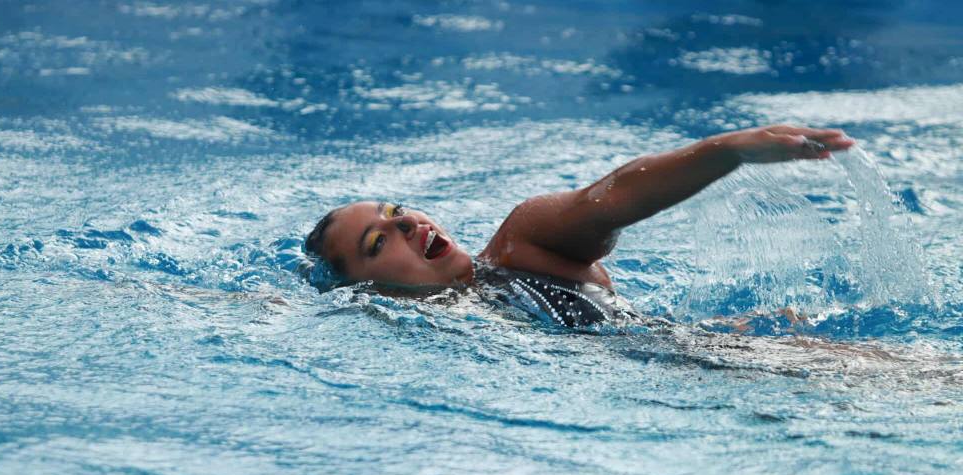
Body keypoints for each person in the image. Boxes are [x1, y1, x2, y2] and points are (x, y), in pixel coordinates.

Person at [304, 125, 854, 327]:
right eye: (378, 241)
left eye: (397, 211)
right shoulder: (393, 327)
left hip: (716, 355)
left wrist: (726, 151)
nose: (405, 225)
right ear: (364, 291)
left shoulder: (523, 246)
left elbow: (608, 201)